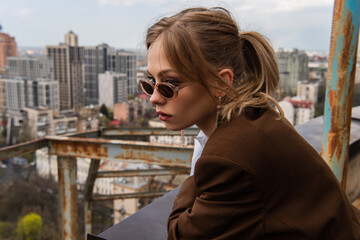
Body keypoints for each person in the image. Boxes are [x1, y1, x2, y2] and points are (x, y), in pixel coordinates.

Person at [139, 7, 360, 240]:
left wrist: (196, 173)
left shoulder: (229, 158)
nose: (154, 97)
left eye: (169, 84)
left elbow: (181, 234)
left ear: (221, 83)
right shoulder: (255, 117)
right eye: (151, 82)